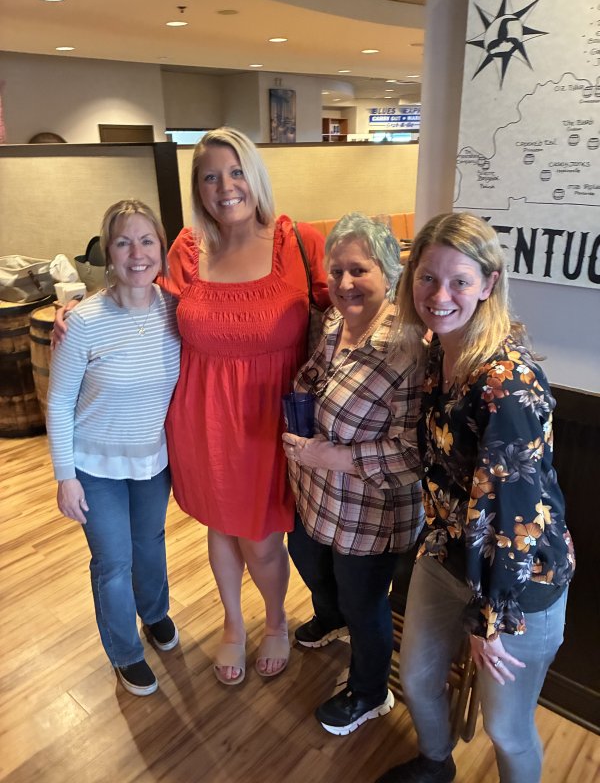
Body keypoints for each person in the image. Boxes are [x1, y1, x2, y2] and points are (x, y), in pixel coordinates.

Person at [376, 212, 575, 783]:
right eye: (427, 278)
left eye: (459, 281)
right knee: (415, 678)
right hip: (449, 552)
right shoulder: (440, 354)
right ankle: (436, 764)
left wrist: (491, 619)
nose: (440, 295)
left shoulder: (507, 383)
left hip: (518, 582)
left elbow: (517, 520)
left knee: (505, 729)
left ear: (488, 285)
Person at [159, 127, 329, 684]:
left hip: (270, 421)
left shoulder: (298, 242)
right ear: (198, 187)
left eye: (235, 172)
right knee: (220, 526)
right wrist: (79, 318)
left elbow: (356, 304)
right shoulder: (186, 249)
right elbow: (142, 311)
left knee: (259, 539)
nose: (225, 186)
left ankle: (275, 620)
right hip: (200, 418)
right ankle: (234, 625)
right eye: (210, 176)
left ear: (254, 176)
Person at [281, 213, 424, 735]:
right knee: (305, 556)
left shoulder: (409, 347)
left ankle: (369, 691)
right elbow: (316, 375)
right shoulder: (335, 323)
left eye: (358, 270)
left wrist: (334, 457)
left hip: (371, 509)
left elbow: (415, 452)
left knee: (364, 601)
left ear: (388, 273)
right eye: (336, 271)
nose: (344, 284)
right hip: (317, 491)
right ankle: (331, 615)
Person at [47, 199, 181, 696]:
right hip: (95, 466)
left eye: (147, 240)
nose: (137, 253)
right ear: (108, 252)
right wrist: (65, 476)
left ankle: (155, 613)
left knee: (150, 546)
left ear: (161, 250)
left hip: (153, 462)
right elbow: (59, 402)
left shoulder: (176, 312)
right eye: (124, 242)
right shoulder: (83, 322)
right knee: (113, 562)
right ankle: (125, 651)